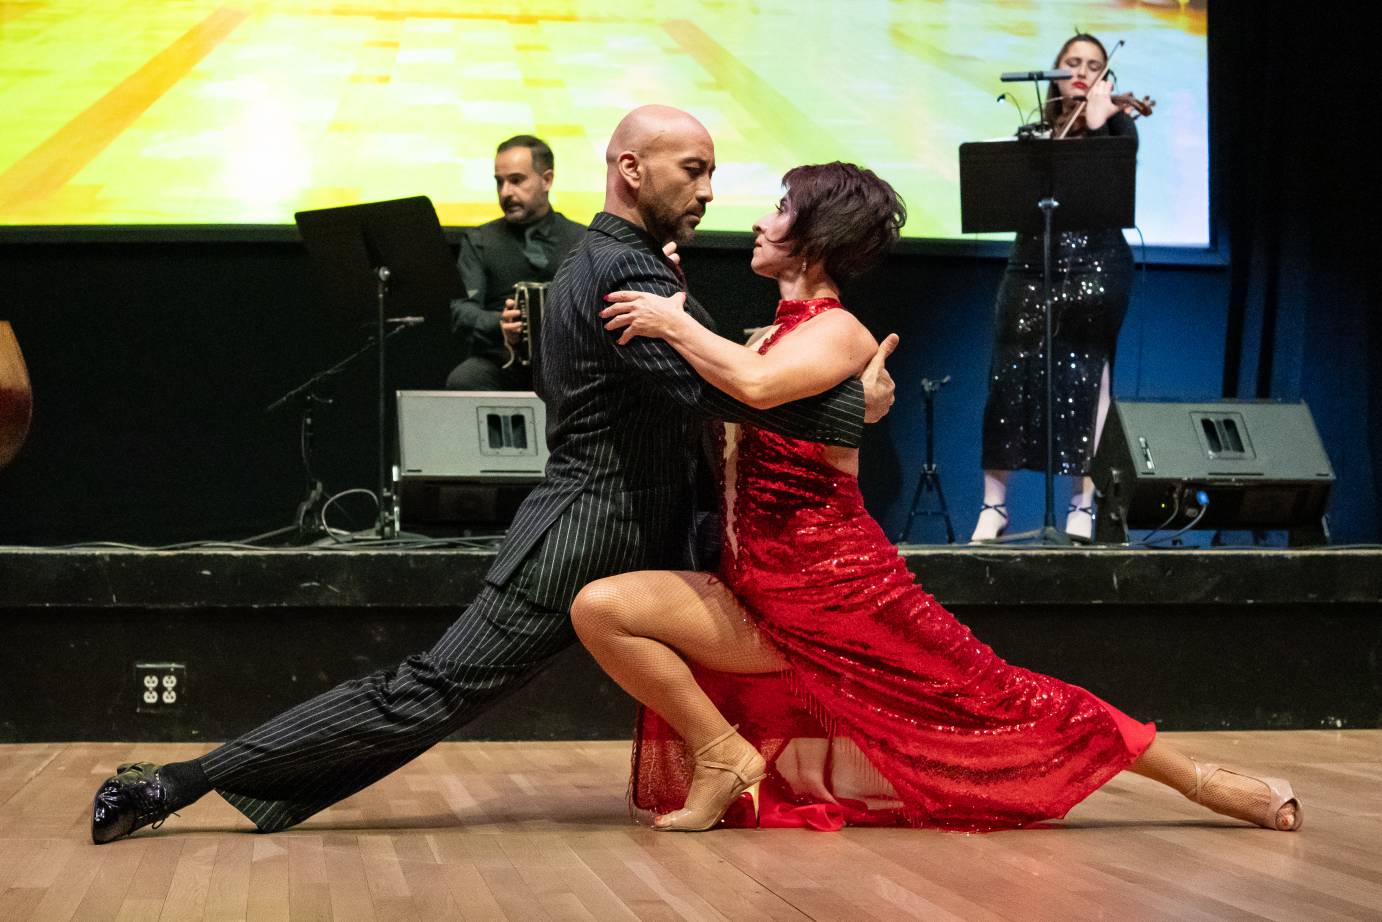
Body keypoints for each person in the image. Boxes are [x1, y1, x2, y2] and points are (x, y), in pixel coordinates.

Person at [89, 106, 899, 844]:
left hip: (616, 522)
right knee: (426, 690)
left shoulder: (610, 258)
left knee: (431, 688)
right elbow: (714, 394)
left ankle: (747, 762)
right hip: (590, 533)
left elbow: (661, 373)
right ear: (631, 170)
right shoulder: (629, 273)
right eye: (694, 170)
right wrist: (850, 410)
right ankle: (175, 783)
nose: (711, 191)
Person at [571, 162, 1301, 834]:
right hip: (758, 595)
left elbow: (755, 389)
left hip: (844, 599)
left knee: (1003, 699)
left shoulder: (838, 333)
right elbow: (729, 382)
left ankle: (1203, 780)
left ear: (815, 238)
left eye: (780, 208)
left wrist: (674, 320)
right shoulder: (765, 336)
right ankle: (724, 755)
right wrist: (677, 306)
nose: (761, 221)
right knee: (602, 608)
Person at [970, 33, 1140, 542]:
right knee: (1008, 375)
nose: (1082, 71)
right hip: (1031, 267)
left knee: (1091, 380)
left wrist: (1101, 117)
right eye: (1072, 63)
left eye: (1093, 64)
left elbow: (1118, 175)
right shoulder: (1037, 130)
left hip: (1098, 266)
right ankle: (994, 508)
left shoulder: (1120, 127)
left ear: (1106, 76)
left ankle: (1082, 508)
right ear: (1056, 71)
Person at [446, 134, 585, 391]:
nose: (506, 192)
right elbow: (461, 310)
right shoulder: (480, 239)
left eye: (517, 180)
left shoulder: (581, 238)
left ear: (547, 180)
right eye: (499, 182)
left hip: (571, 364)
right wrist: (500, 323)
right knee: (464, 380)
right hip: (502, 360)